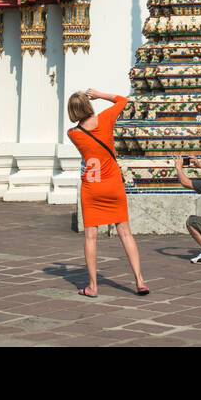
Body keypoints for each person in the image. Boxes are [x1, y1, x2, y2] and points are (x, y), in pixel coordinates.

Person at [66, 89, 148, 297]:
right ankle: (139, 280)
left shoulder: (73, 134)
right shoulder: (106, 119)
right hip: (113, 185)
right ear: (88, 105)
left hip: (92, 188)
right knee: (125, 233)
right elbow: (123, 100)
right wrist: (99, 95)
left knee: (91, 237)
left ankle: (93, 286)